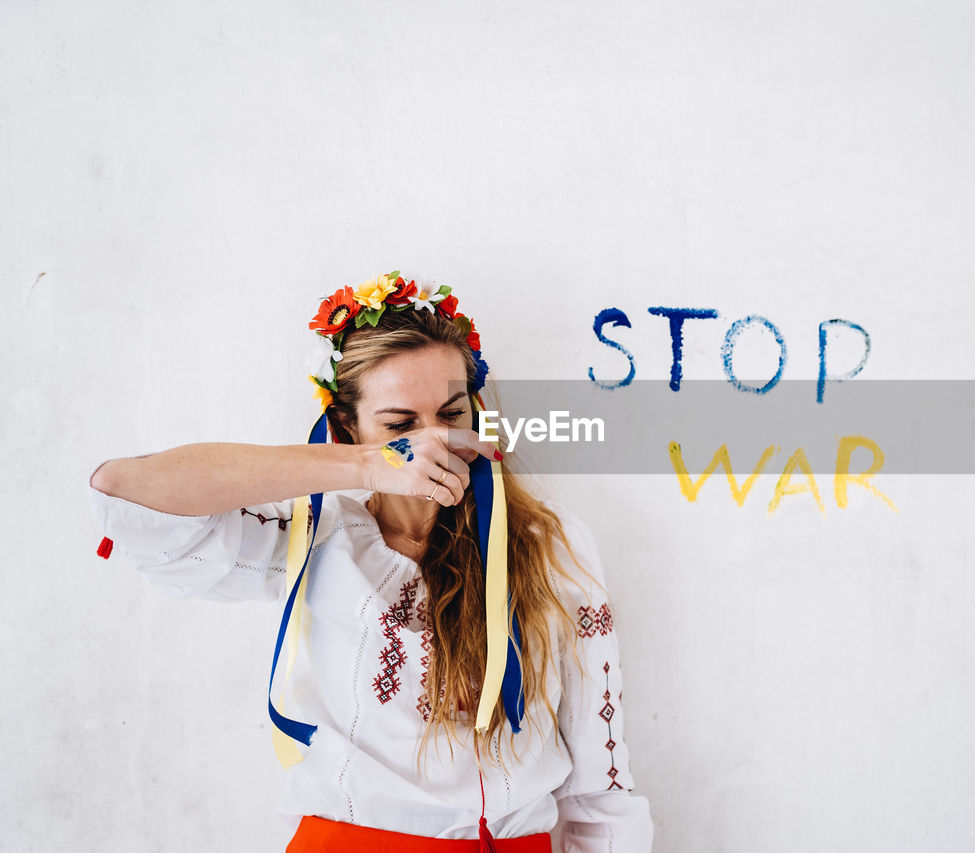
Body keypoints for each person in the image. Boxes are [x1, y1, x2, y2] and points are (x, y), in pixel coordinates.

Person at [86, 272, 654, 852]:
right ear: (346, 429)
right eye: (399, 425)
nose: (434, 443)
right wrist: (362, 468)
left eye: (452, 413)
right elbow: (123, 492)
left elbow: (600, 790)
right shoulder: (312, 536)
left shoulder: (551, 544)